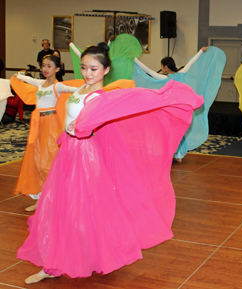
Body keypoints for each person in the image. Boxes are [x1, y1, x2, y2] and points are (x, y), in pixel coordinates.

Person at [17, 42, 203, 284]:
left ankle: (74, 258)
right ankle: (52, 263)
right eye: (84, 68)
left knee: (80, 210)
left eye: (93, 69)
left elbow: (100, 125)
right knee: (59, 207)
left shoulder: (101, 97)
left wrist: (83, 130)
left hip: (84, 157)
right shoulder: (80, 89)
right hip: (68, 154)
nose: (87, 73)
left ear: (105, 70)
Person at [11, 54, 80, 212]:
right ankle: (41, 199)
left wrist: (89, 89)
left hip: (51, 126)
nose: (45, 69)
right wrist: (18, 75)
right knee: (37, 160)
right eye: (43, 66)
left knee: (48, 162)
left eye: (49, 66)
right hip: (38, 124)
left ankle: (53, 198)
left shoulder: (58, 86)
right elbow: (28, 80)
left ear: (57, 68)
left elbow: (73, 89)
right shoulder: (40, 83)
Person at [133, 46, 226, 162]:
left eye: (162, 66)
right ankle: (178, 154)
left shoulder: (164, 78)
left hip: (170, 109)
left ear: (165, 67)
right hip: (181, 109)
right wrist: (200, 51)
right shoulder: (181, 74)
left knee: (168, 131)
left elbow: (148, 71)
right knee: (179, 130)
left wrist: (135, 59)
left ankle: (172, 153)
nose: (161, 68)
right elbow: (191, 63)